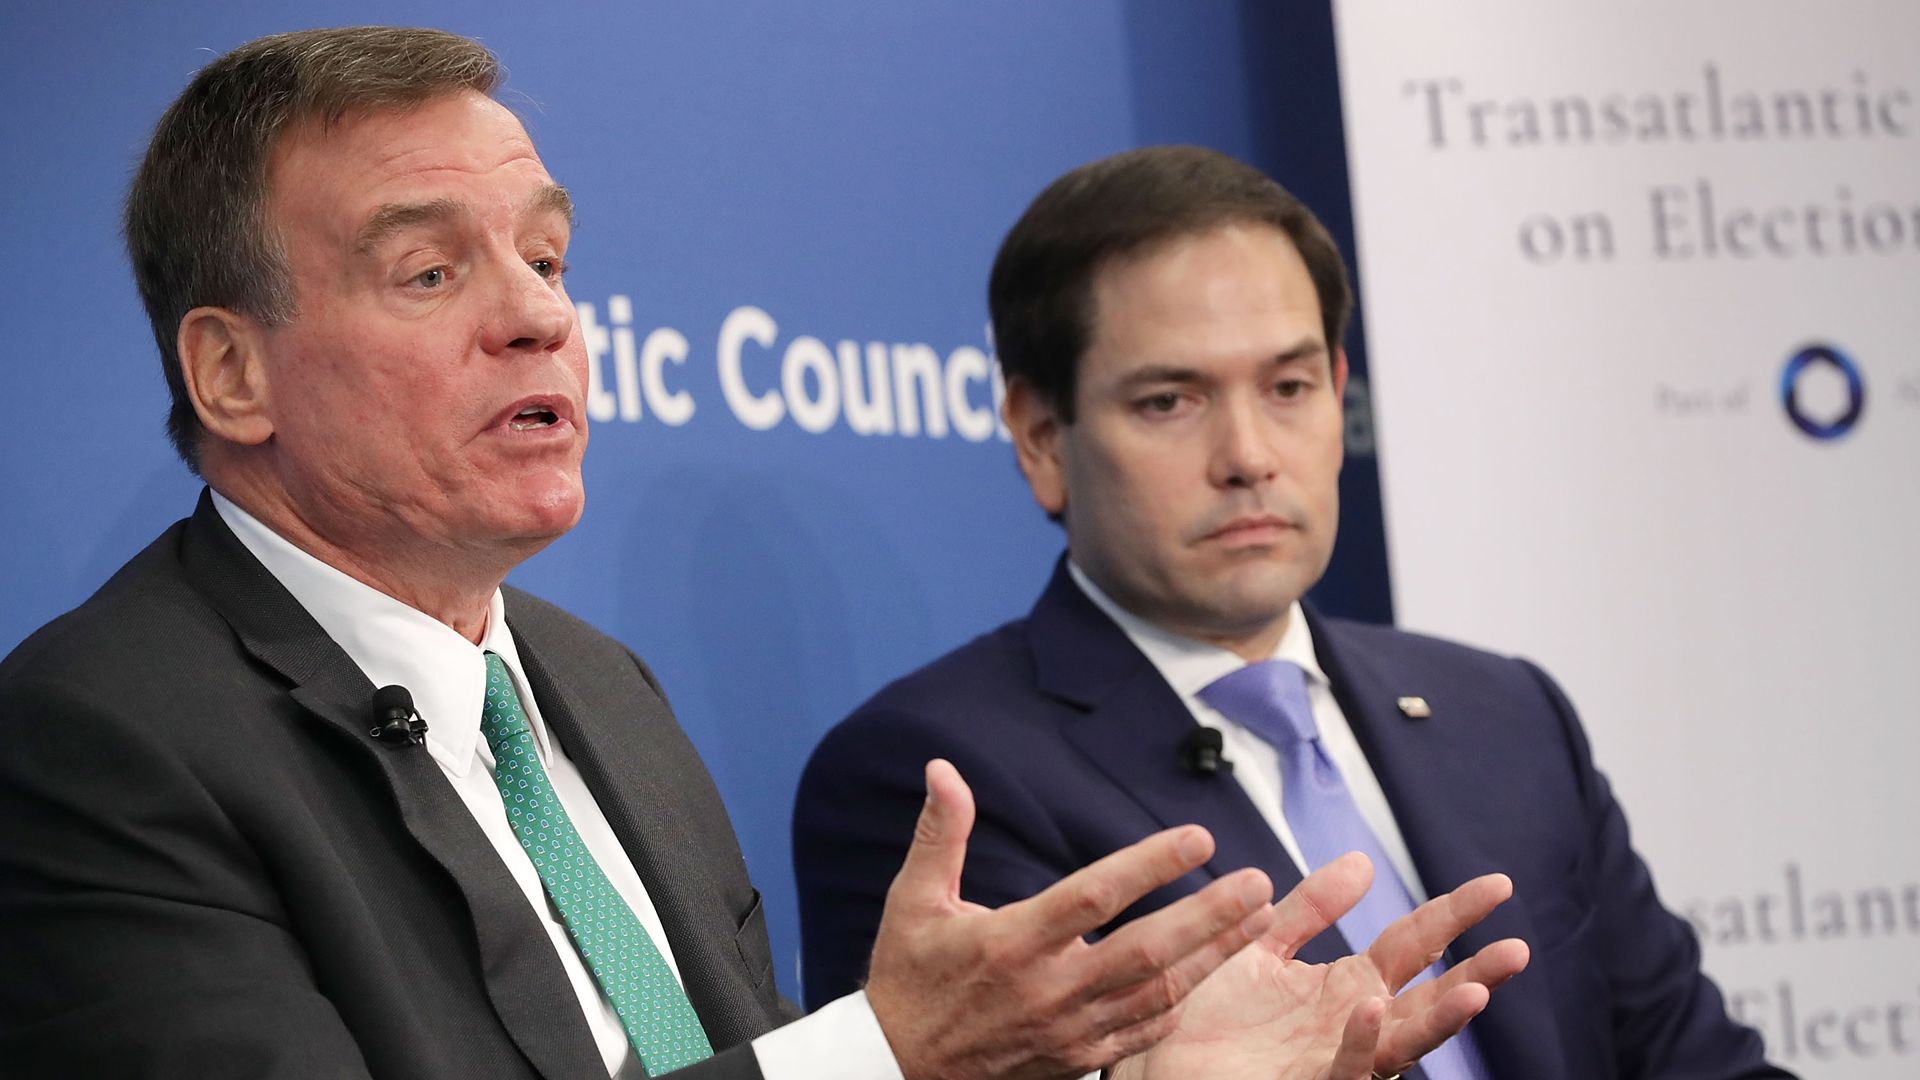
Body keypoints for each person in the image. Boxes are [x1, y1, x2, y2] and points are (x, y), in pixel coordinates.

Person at [0, 28, 1523, 1080]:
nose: (537, 315)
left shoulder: (600, 696)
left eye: (547, 255)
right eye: (427, 270)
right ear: (232, 376)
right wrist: (882, 1050)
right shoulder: (100, 745)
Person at [794, 145, 1795, 1079]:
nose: (1249, 455)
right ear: (1042, 434)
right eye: (1168, 402)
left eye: (1288, 385)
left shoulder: (1507, 715)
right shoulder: (937, 780)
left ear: (1337, 390)